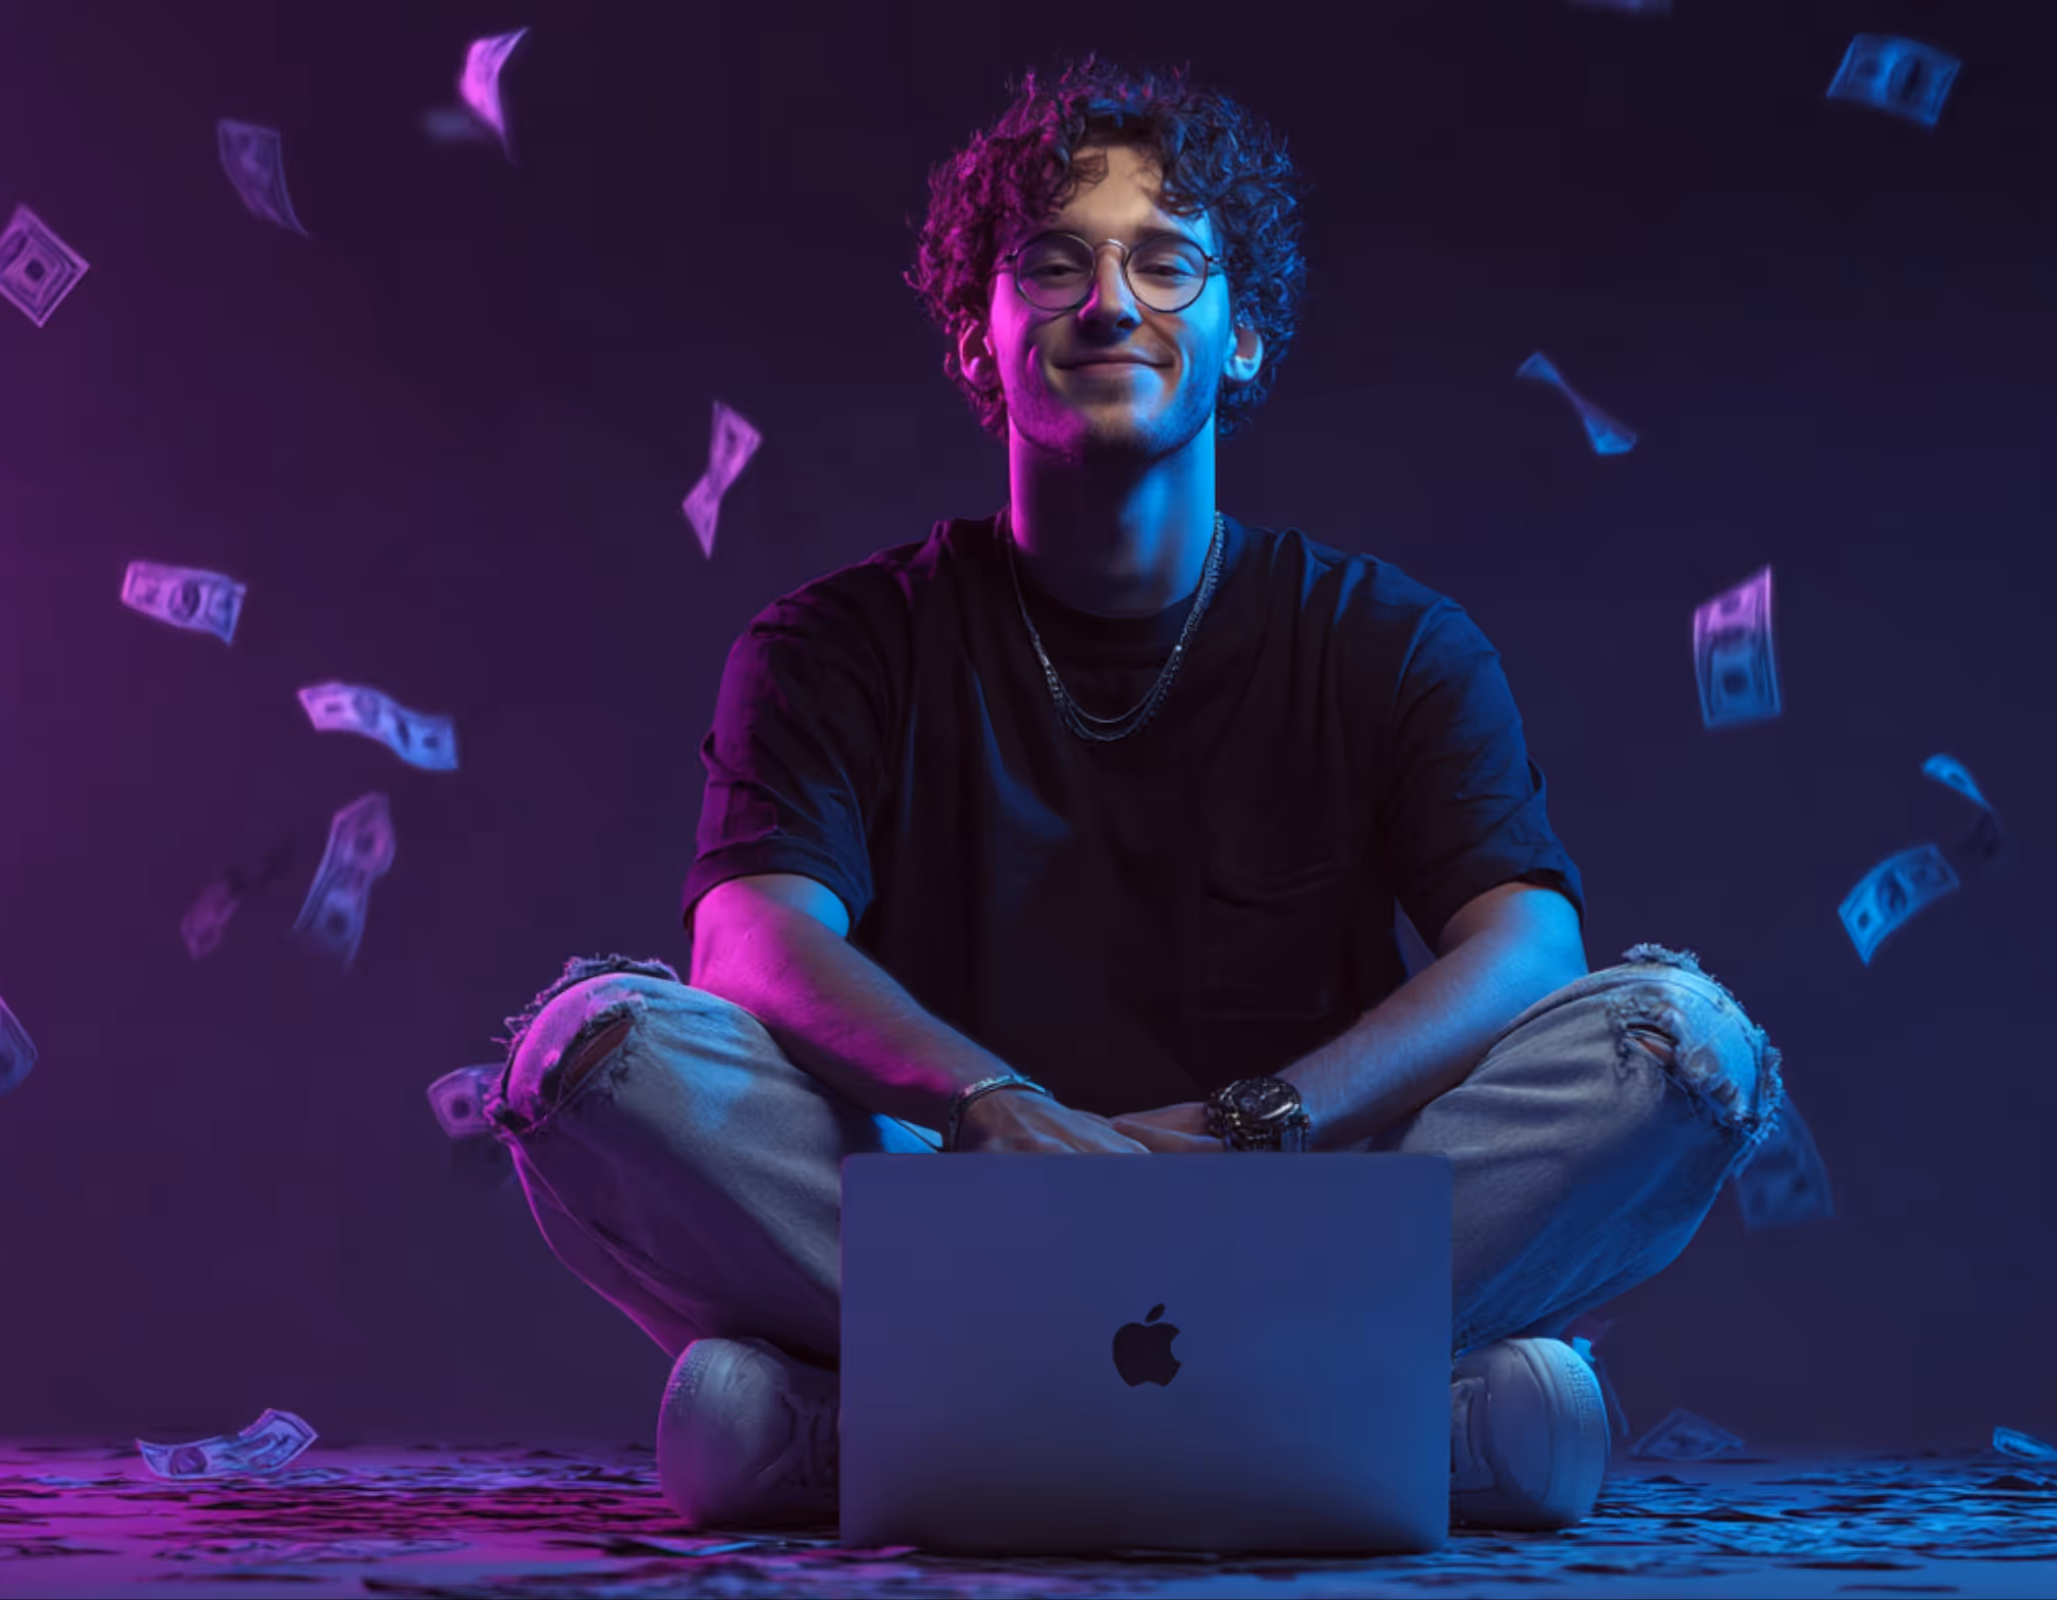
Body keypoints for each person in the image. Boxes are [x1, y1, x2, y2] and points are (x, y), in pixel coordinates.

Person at [486, 55, 1785, 1537]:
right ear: (983, 342)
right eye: (1054, 263)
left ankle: (854, 1431)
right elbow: (752, 945)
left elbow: (1530, 947)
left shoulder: (1392, 641)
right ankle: (1380, 1423)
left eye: (1166, 261)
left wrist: (1260, 1126)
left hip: (1296, 1205)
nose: (1110, 302)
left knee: (1680, 1045)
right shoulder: (831, 643)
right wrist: (994, 1113)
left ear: (1246, 336)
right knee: (593, 1054)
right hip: (946, 1208)